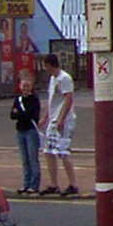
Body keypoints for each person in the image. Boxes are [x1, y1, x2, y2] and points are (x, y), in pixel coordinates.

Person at [41, 53, 78, 198]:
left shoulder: (64, 78)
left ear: (49, 65)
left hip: (63, 120)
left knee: (63, 152)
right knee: (48, 151)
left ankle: (73, 184)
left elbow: (68, 99)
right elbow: (52, 101)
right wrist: (45, 117)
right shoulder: (53, 79)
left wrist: (61, 119)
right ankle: (54, 184)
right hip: (53, 119)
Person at [9, 71, 42, 196]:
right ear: (20, 86)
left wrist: (20, 114)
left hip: (31, 131)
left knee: (33, 159)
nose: (25, 88)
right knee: (24, 159)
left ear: (31, 86)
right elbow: (12, 115)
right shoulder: (18, 99)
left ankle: (34, 185)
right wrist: (21, 114)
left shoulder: (34, 99)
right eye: (23, 86)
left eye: (27, 86)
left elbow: (31, 115)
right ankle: (25, 183)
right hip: (20, 130)